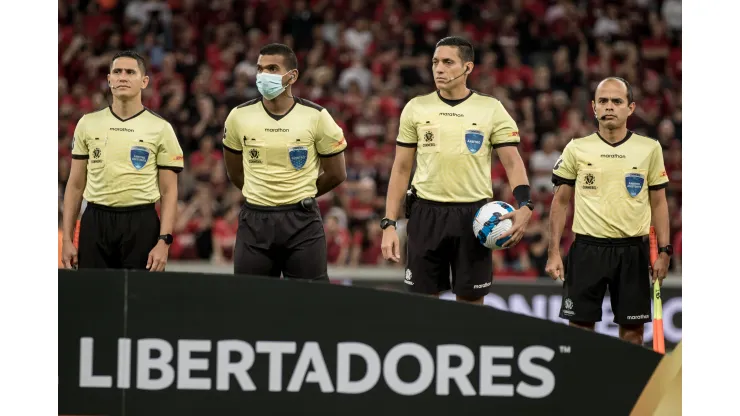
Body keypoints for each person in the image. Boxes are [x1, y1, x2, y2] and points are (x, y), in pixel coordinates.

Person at [381, 37, 534, 304]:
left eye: (448, 62)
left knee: (471, 307)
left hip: (473, 216)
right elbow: (401, 168)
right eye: (435, 62)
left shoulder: (491, 108)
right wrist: (389, 224)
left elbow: (512, 162)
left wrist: (525, 204)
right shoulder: (416, 108)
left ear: (468, 67)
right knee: (423, 307)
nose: (438, 69)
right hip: (425, 214)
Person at [546, 77, 672, 346]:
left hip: (632, 252)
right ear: (593, 107)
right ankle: (583, 386)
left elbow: (659, 203)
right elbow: (560, 202)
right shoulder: (576, 148)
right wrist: (554, 252)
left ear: (631, 107)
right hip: (586, 250)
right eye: (603, 101)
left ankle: (627, 388)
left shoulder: (649, 149)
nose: (609, 107)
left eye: (617, 101)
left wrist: (664, 251)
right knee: (579, 329)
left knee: (633, 333)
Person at [222, 43, 347, 280]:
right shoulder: (238, 116)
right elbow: (235, 173)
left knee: (310, 306)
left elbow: (337, 174)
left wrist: (300, 193)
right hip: (254, 220)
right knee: (251, 305)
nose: (263, 76)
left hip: (302, 221)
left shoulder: (317, 117)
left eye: (272, 68)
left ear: (292, 76)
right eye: (260, 69)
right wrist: (262, 194)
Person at [61, 50, 184, 271]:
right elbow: (75, 184)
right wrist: (67, 239)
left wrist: (164, 241)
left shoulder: (161, 128)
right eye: (117, 72)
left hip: (141, 222)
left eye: (130, 72)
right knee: (96, 299)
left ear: (144, 81)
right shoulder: (88, 124)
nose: (123, 77)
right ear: (109, 80)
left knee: (141, 300)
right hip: (95, 220)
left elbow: (169, 191)